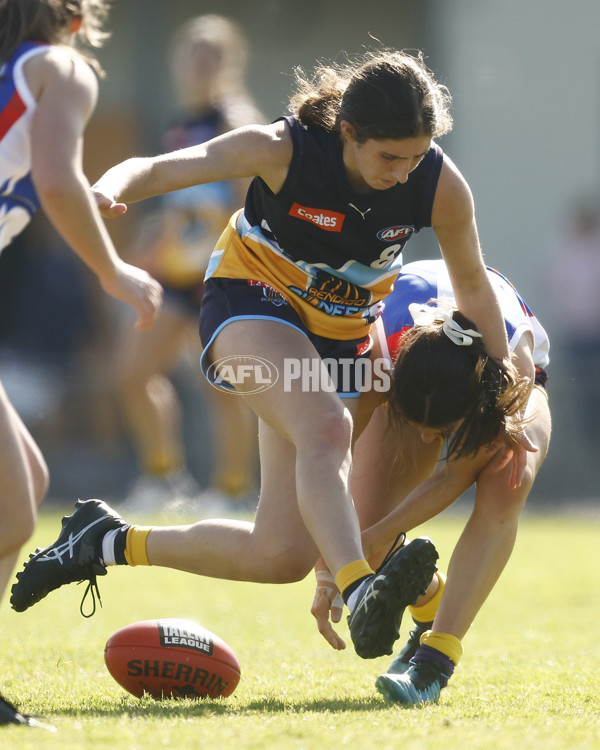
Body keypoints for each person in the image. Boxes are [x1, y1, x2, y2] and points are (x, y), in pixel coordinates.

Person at [10, 48, 518, 665]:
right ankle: (364, 592)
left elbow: (473, 290)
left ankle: (105, 541)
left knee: (279, 555)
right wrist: (105, 190)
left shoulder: (438, 185)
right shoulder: (285, 149)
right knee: (325, 427)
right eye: (389, 158)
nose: (403, 173)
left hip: (344, 339)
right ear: (348, 133)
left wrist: (505, 380)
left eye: (415, 158)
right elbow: (167, 165)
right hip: (248, 304)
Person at [0, 0, 162, 726]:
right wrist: (114, 271)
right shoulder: (61, 67)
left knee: (22, 487)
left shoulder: (16, 74)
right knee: (11, 500)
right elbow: (59, 178)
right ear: (72, 17)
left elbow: (45, 178)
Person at [311, 259, 551, 704]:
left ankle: (433, 664)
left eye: (439, 431)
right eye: (417, 423)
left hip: (501, 377)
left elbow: (453, 476)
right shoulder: (372, 355)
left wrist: (370, 537)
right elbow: (330, 459)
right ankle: (430, 599)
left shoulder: (500, 372)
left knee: (507, 474)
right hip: (405, 356)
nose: (427, 440)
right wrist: (334, 566)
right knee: (364, 538)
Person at [114, 15, 261, 514]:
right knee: (133, 373)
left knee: (222, 385)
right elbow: (182, 206)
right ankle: (163, 478)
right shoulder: (180, 125)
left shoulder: (234, 121)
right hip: (176, 273)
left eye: (211, 54)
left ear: (229, 63)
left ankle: (233, 490)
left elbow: (250, 204)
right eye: (192, 52)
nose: (200, 64)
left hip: (218, 273)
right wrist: (143, 252)